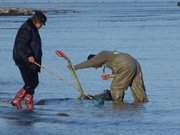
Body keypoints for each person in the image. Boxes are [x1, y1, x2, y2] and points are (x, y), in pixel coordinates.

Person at [73, 50, 148, 104]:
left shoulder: (102, 54)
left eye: (94, 66)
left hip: (125, 65)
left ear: (95, 60)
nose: (95, 68)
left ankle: (118, 104)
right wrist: (110, 76)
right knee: (137, 87)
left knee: (116, 87)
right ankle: (142, 105)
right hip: (134, 63)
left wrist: (75, 67)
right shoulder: (110, 57)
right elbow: (122, 74)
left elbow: (90, 62)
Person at [11, 10, 47, 111]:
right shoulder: (26, 29)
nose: (42, 26)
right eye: (42, 24)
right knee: (30, 83)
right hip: (24, 59)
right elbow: (21, 45)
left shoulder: (32, 28)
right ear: (37, 21)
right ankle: (17, 99)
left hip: (31, 61)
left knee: (34, 82)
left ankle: (28, 100)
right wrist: (29, 55)